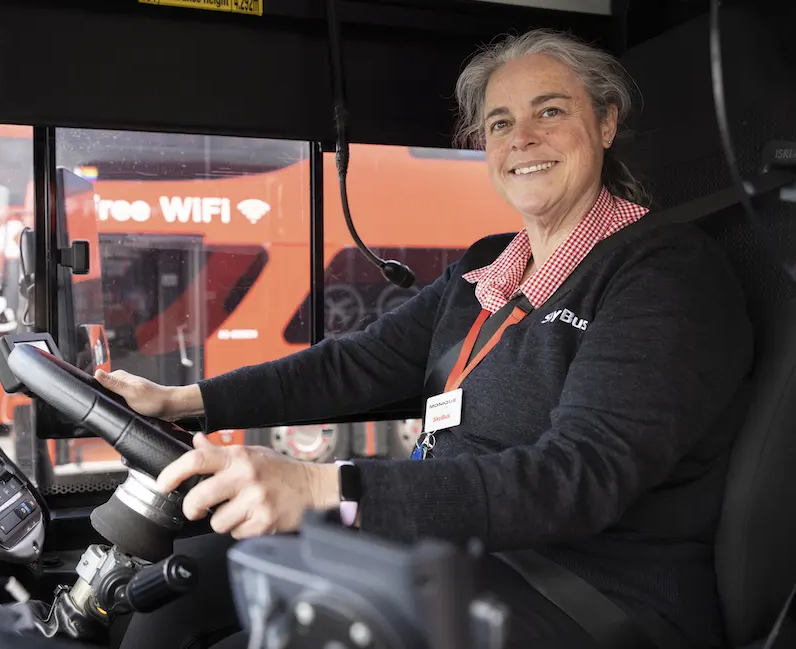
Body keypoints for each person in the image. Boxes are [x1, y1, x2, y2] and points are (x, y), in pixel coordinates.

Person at [102, 27, 753, 649]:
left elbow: (575, 477)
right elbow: (354, 365)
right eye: (500, 123)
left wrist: (325, 488)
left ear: (606, 123)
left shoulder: (664, 273)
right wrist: (182, 400)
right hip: (455, 547)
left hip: (587, 591)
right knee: (175, 587)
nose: (522, 138)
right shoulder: (486, 265)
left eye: (549, 111)